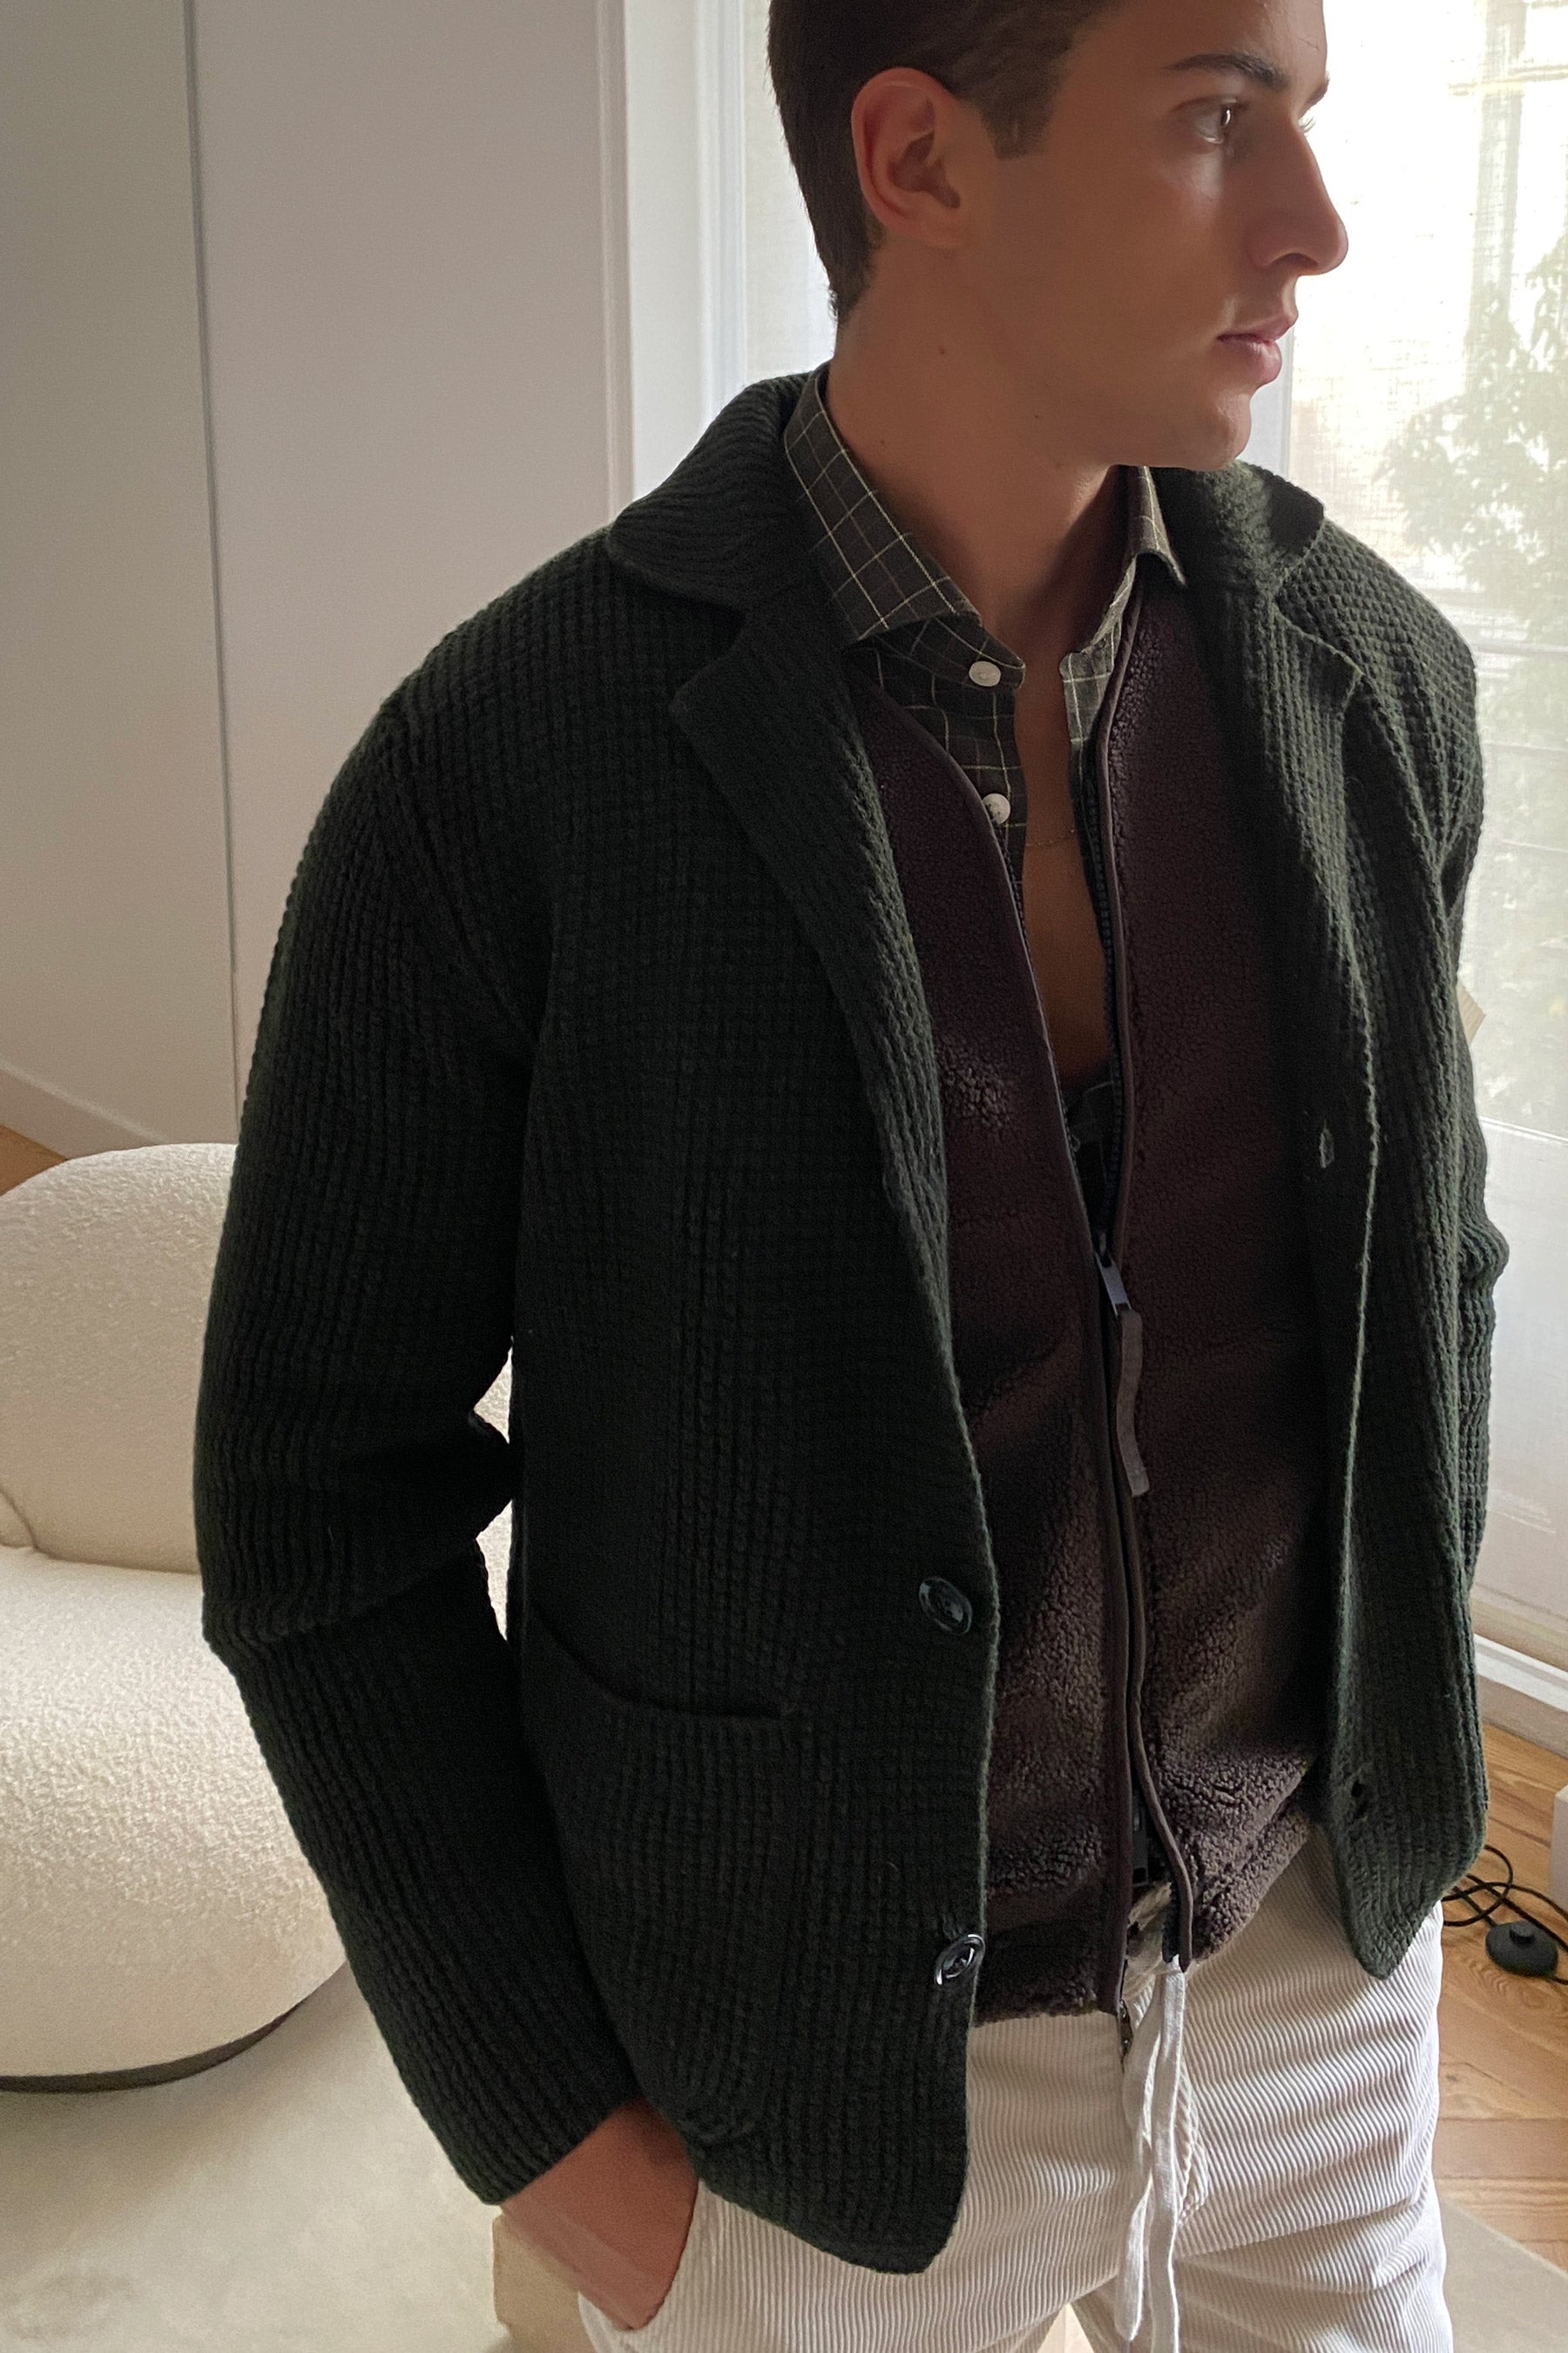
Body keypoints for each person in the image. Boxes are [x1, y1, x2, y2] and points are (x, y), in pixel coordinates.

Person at [193, 0, 1510, 2346]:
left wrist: (1389, 1814)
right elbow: (318, 1499)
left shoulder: (1372, 687)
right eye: (1221, 119)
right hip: (793, 2090)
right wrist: (546, 2132)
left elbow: (1440, 1276)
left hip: (1313, 1976)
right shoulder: (506, 770)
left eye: (1304, 119)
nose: (1316, 225)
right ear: (920, 160)